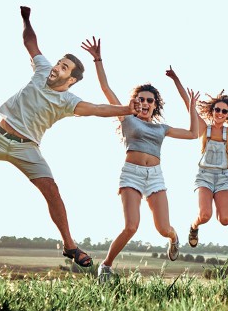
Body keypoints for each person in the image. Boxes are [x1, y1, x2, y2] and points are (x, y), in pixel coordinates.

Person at [0, 7, 141, 269]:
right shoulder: (42, 70)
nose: (56, 68)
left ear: (71, 79)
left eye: (63, 68)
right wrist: (26, 19)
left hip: (27, 149)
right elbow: (30, 42)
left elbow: (98, 109)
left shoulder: (68, 101)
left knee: (52, 190)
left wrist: (128, 109)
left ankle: (70, 246)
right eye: (58, 63)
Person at [80, 37, 199, 282]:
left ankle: (174, 238)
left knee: (163, 228)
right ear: (135, 102)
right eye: (141, 99)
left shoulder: (161, 128)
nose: (145, 103)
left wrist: (192, 107)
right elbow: (106, 89)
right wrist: (98, 59)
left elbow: (192, 134)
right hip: (131, 174)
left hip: (155, 177)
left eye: (150, 100)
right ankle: (106, 266)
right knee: (131, 226)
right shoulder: (127, 118)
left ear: (155, 106)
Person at [164, 68, 228, 247]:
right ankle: (193, 226)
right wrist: (175, 79)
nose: (220, 113)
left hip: (224, 177)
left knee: (225, 219)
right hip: (204, 176)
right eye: (217, 110)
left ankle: (207, 220)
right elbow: (186, 102)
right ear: (212, 111)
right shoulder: (204, 129)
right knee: (205, 215)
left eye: (224, 111)